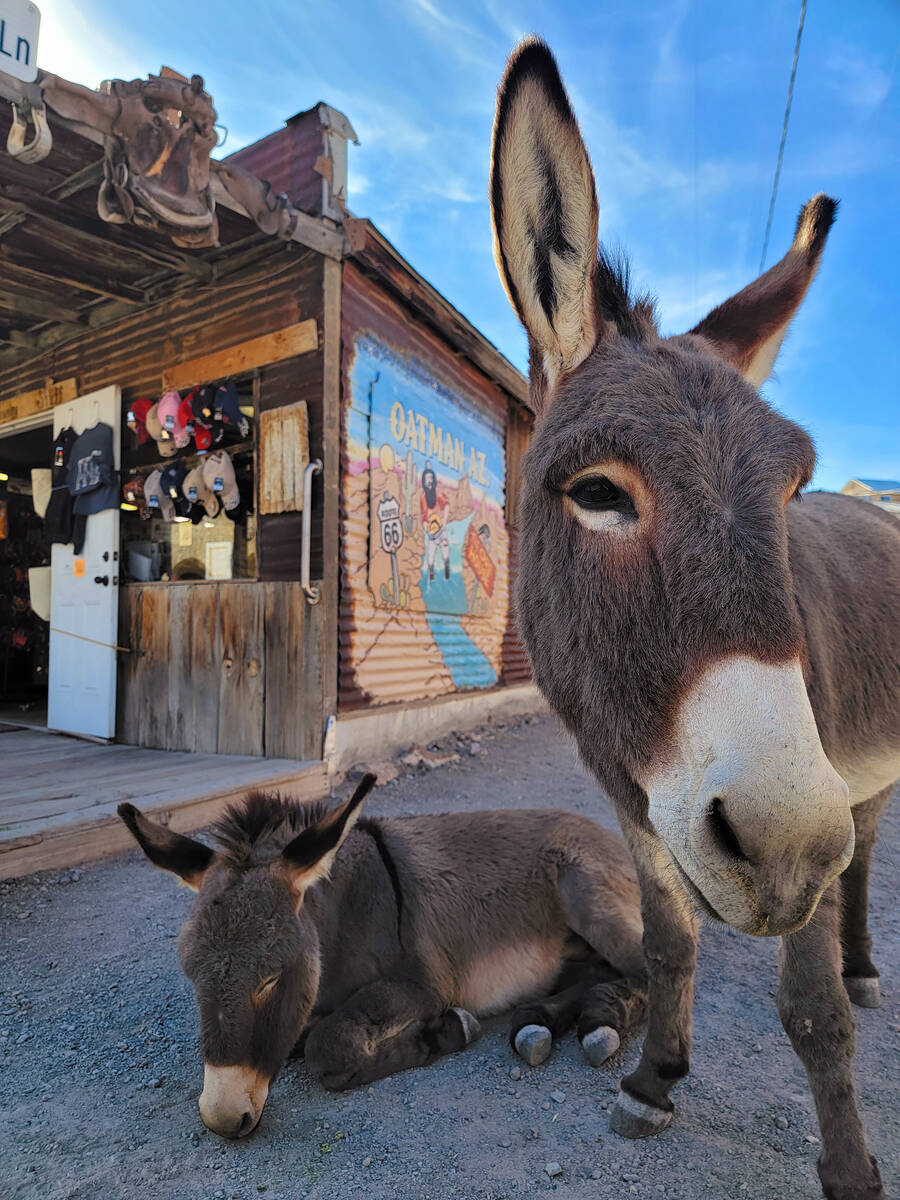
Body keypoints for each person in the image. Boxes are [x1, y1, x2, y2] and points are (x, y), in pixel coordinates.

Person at [419, 462, 450, 582]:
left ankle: (447, 568)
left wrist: (444, 521)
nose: (429, 481)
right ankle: (431, 573)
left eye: (431, 478)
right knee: (430, 554)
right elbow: (423, 517)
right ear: (424, 481)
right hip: (432, 532)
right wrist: (426, 526)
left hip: (441, 529)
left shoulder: (437, 492)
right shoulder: (423, 498)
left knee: (445, 552)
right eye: (427, 479)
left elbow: (446, 505)